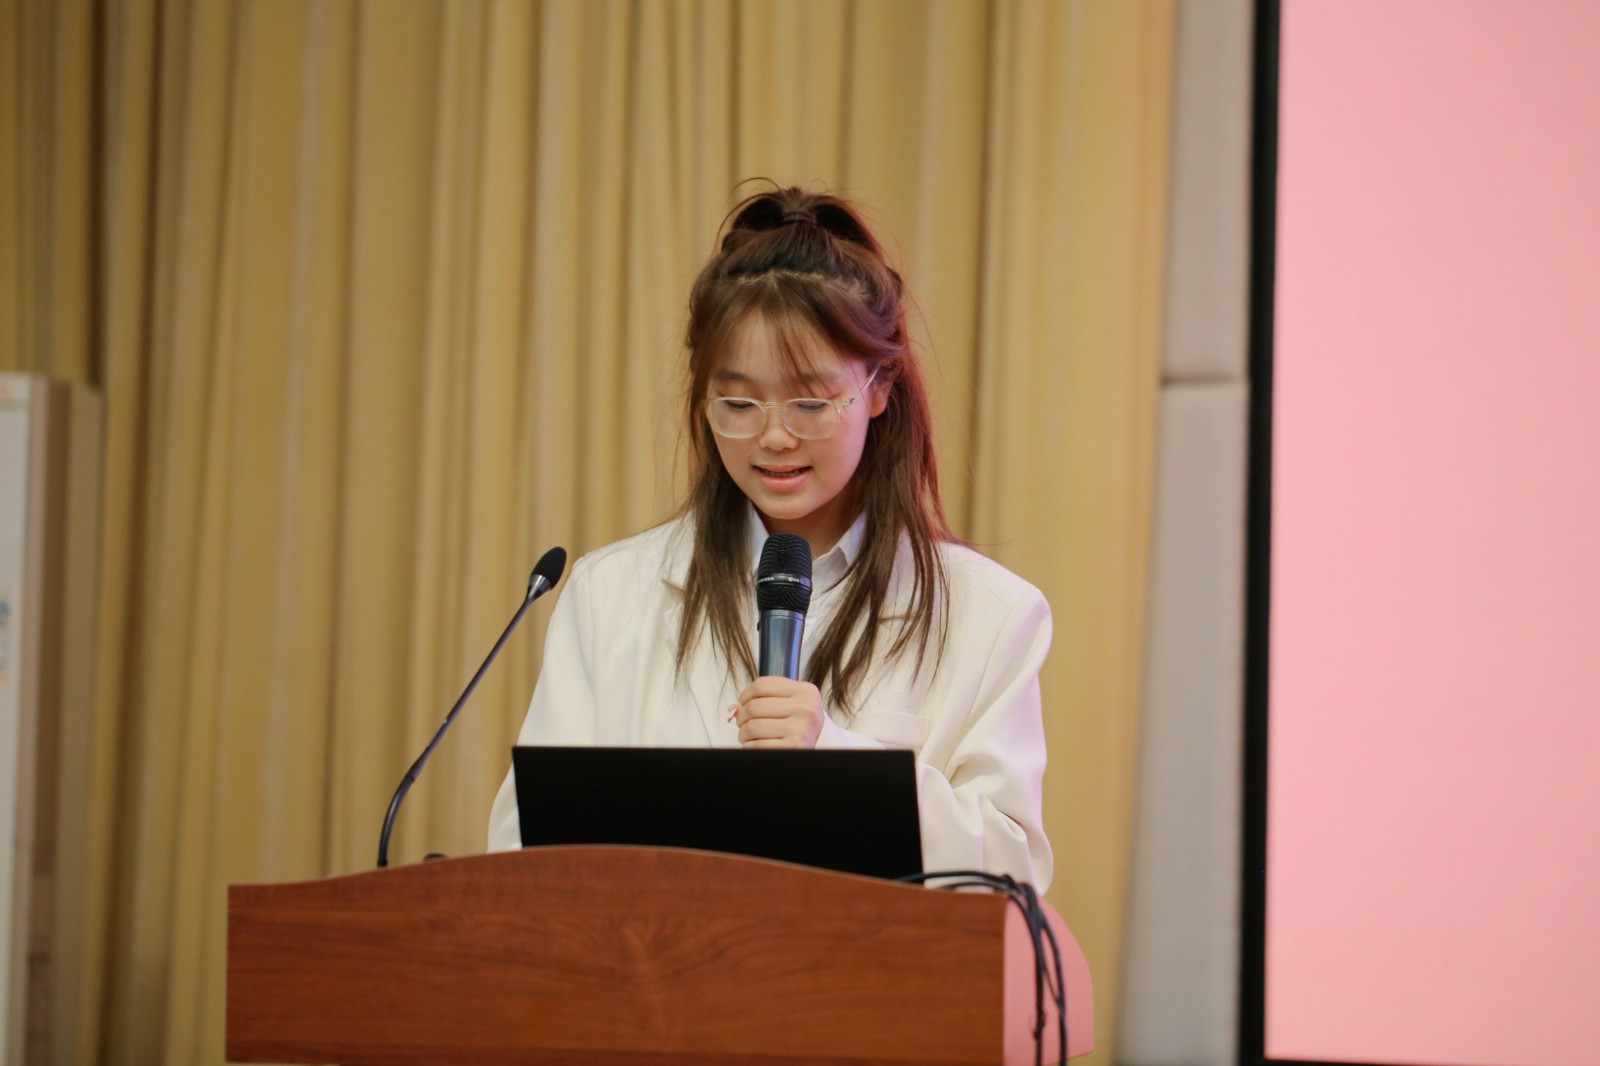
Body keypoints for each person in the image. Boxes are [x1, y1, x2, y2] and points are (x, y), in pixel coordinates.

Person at [486, 185, 1053, 888]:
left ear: (879, 388)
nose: (774, 436)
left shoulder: (991, 615)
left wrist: (837, 762)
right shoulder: (611, 595)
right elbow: (524, 849)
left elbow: (1010, 873)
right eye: (739, 402)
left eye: (810, 401)